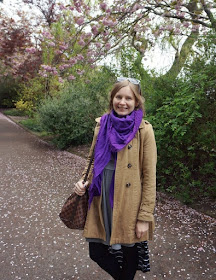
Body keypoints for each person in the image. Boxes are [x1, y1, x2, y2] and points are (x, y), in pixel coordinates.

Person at [74, 77, 157, 280]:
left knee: (130, 253)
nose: (122, 102)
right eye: (118, 97)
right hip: (101, 196)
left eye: (128, 98)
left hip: (129, 201)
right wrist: (82, 181)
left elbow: (149, 176)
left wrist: (144, 217)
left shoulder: (144, 130)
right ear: (112, 99)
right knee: (97, 252)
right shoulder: (101, 124)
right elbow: (92, 159)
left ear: (136, 102)